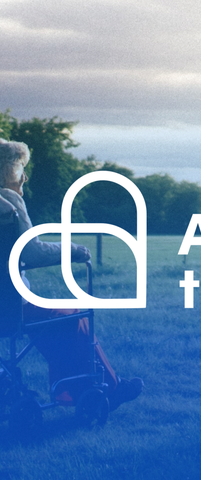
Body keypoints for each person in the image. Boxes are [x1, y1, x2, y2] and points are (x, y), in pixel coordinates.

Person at [0, 138, 143, 409]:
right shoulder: (9, 203)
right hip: (9, 308)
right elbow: (32, 252)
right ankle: (106, 388)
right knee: (73, 316)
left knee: (58, 320)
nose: (25, 177)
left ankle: (77, 389)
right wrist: (74, 250)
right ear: (8, 171)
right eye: (20, 169)